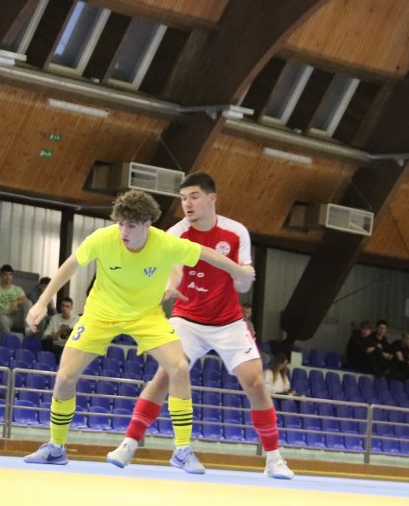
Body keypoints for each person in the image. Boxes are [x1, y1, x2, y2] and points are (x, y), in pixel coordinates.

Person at [23, 188, 255, 469]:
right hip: (101, 315)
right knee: (65, 375)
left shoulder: (165, 243)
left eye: (131, 225)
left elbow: (206, 254)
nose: (124, 231)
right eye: (121, 223)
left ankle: (182, 450)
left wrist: (238, 270)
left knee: (179, 367)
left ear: (147, 224)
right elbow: (70, 265)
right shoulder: (103, 239)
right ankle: (56, 447)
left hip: (146, 316)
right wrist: (42, 303)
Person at [106, 173, 293, 479]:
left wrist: (243, 277)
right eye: (183, 198)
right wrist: (170, 283)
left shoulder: (235, 232)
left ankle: (274, 458)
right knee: (165, 375)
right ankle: (128, 444)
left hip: (228, 321)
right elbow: (176, 269)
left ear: (211, 198)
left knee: (256, 383)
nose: (187, 204)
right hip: (186, 319)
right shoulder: (177, 233)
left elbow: (244, 280)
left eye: (193, 196)